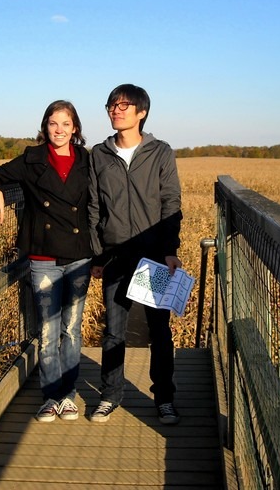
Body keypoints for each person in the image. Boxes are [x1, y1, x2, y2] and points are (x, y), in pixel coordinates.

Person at [0, 100, 93, 422]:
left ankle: (68, 395)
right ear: (45, 127)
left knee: (71, 329)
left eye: (65, 124)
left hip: (79, 255)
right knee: (47, 330)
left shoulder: (87, 160)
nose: (59, 130)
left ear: (75, 129)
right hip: (43, 256)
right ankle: (50, 395)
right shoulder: (32, 159)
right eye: (53, 124)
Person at [88, 84, 183, 425]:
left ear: (141, 112)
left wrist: (170, 250)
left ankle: (165, 399)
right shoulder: (99, 154)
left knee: (159, 330)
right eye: (112, 104)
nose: (116, 110)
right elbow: (94, 206)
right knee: (113, 331)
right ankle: (110, 396)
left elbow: (171, 202)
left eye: (124, 105)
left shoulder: (160, 152)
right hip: (115, 256)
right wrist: (98, 255)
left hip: (153, 256)